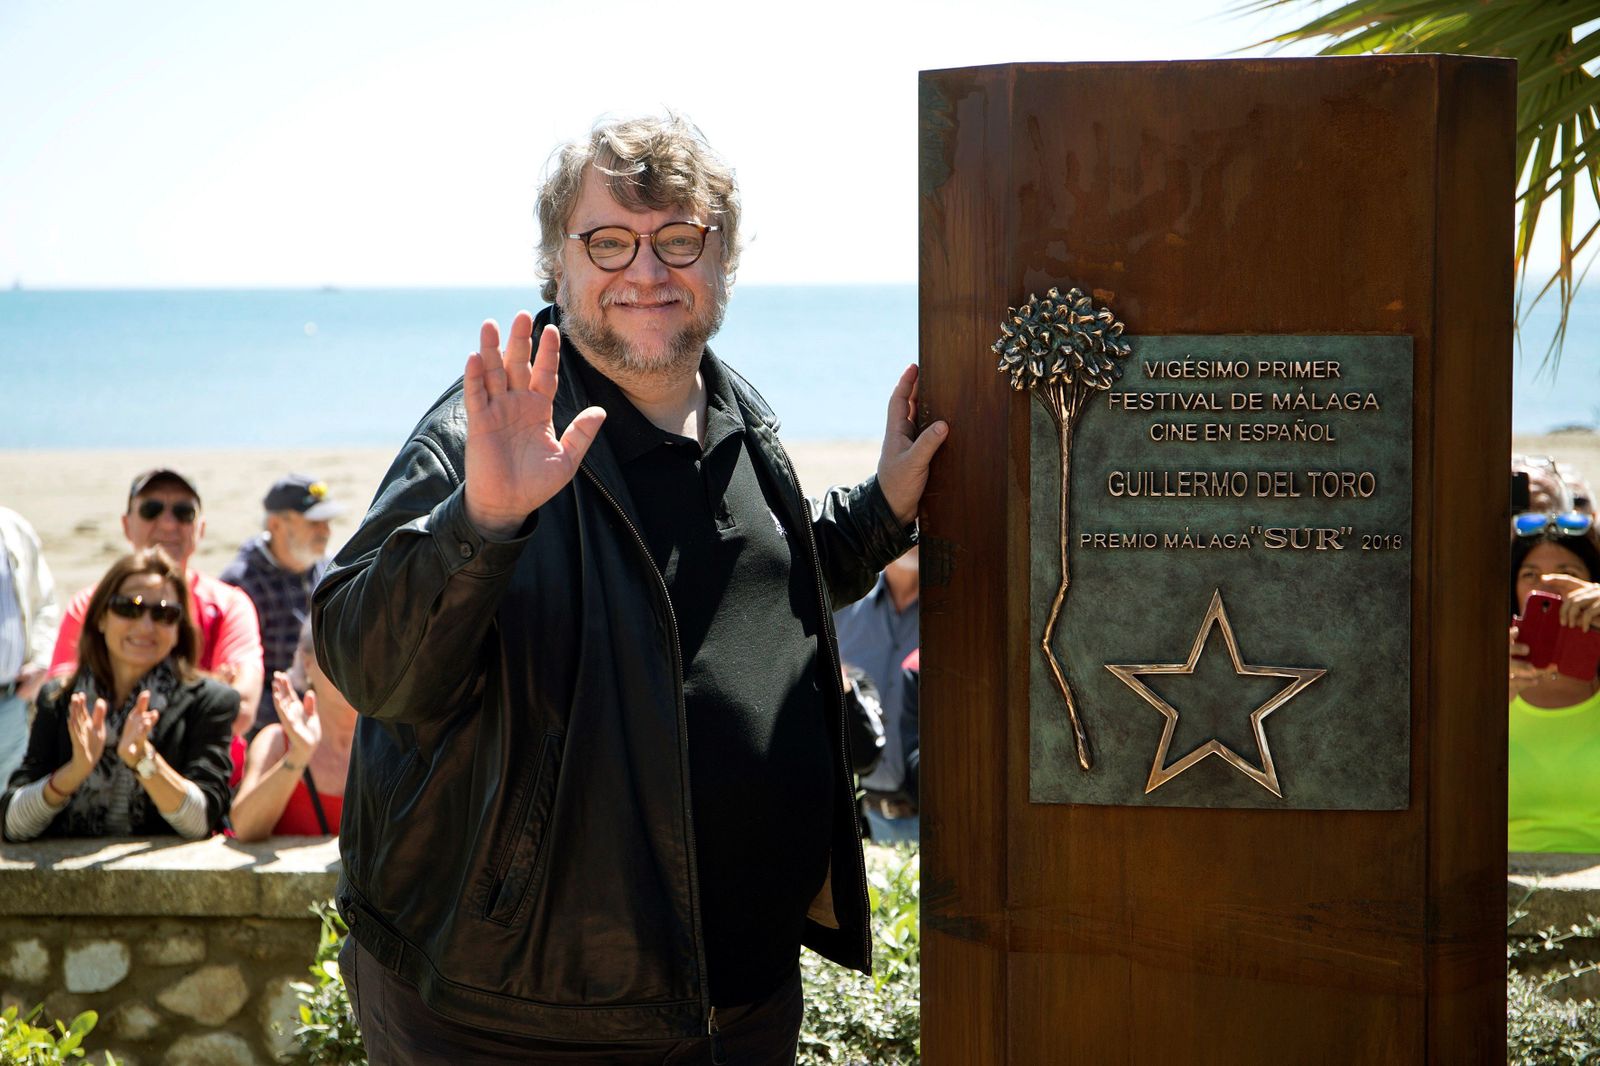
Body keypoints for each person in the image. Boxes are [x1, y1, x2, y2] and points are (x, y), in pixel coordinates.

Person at [312, 112, 947, 1062]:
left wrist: (880, 512)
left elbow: (760, 585)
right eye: (608, 241)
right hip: (515, 1019)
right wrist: (479, 523)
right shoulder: (485, 433)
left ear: (722, 257)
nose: (646, 270)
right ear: (556, 264)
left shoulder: (738, 416)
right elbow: (371, 664)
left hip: (741, 1003)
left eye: (679, 239)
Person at [1, 548, 236, 841]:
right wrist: (74, 772)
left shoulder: (211, 701)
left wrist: (144, 761)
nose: (146, 625)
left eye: (165, 613)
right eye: (129, 608)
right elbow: (12, 825)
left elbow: (201, 822)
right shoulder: (59, 698)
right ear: (100, 618)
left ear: (179, 629)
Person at [50, 470, 264, 735]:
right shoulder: (90, 604)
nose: (168, 524)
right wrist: (209, 686)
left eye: (183, 512)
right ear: (127, 525)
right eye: (151, 510)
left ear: (201, 528)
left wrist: (115, 693)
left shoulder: (230, 605)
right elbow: (61, 705)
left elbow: (240, 710)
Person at [221, 474, 345, 731]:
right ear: (276, 524)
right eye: (314, 522)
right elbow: (238, 681)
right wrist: (296, 717)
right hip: (269, 727)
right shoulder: (241, 583)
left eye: (327, 521)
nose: (326, 531)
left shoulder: (328, 569)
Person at [1508, 520, 1600, 852]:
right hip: (1502, 891)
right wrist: (1484, 698)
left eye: (1566, 573)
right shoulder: (1479, 676)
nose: (1546, 584)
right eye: (1530, 575)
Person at [230, 621, 354, 841]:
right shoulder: (276, 742)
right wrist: (298, 755)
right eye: (336, 652)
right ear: (307, 664)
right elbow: (245, 828)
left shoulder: (393, 741)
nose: (351, 665)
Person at [833, 546, 921, 842]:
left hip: (936, 821)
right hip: (861, 823)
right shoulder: (842, 604)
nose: (920, 528)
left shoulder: (957, 614)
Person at [0, 507, 60, 784]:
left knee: (6, 813)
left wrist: (40, 664)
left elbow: (45, 604)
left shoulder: (12, 528)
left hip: (11, 704)